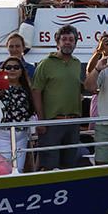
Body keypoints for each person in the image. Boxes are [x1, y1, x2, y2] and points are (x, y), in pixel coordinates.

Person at [32, 25, 86, 170]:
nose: (67, 42)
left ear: (75, 43)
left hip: (73, 123)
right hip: (52, 123)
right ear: (57, 42)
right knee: (49, 165)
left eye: (71, 39)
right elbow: (36, 92)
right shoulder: (45, 64)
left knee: (69, 165)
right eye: (64, 39)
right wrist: (41, 121)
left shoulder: (77, 63)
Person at [0, 56, 35, 171]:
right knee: (3, 169)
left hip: (21, 135)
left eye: (16, 67)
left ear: (21, 71)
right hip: (1, 134)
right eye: (8, 67)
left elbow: (30, 110)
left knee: (18, 170)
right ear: (3, 70)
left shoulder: (26, 88)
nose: (12, 70)